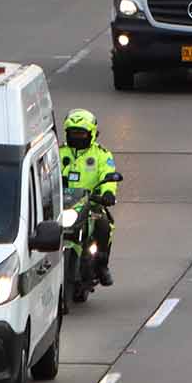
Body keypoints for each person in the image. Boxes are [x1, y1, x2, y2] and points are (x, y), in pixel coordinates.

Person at [60, 109, 119, 287]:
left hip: (91, 204)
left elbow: (109, 175)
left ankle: (102, 266)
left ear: (92, 134)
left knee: (104, 225)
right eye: (73, 133)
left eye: (81, 133)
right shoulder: (59, 152)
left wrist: (108, 193)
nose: (77, 137)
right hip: (63, 205)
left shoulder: (102, 155)